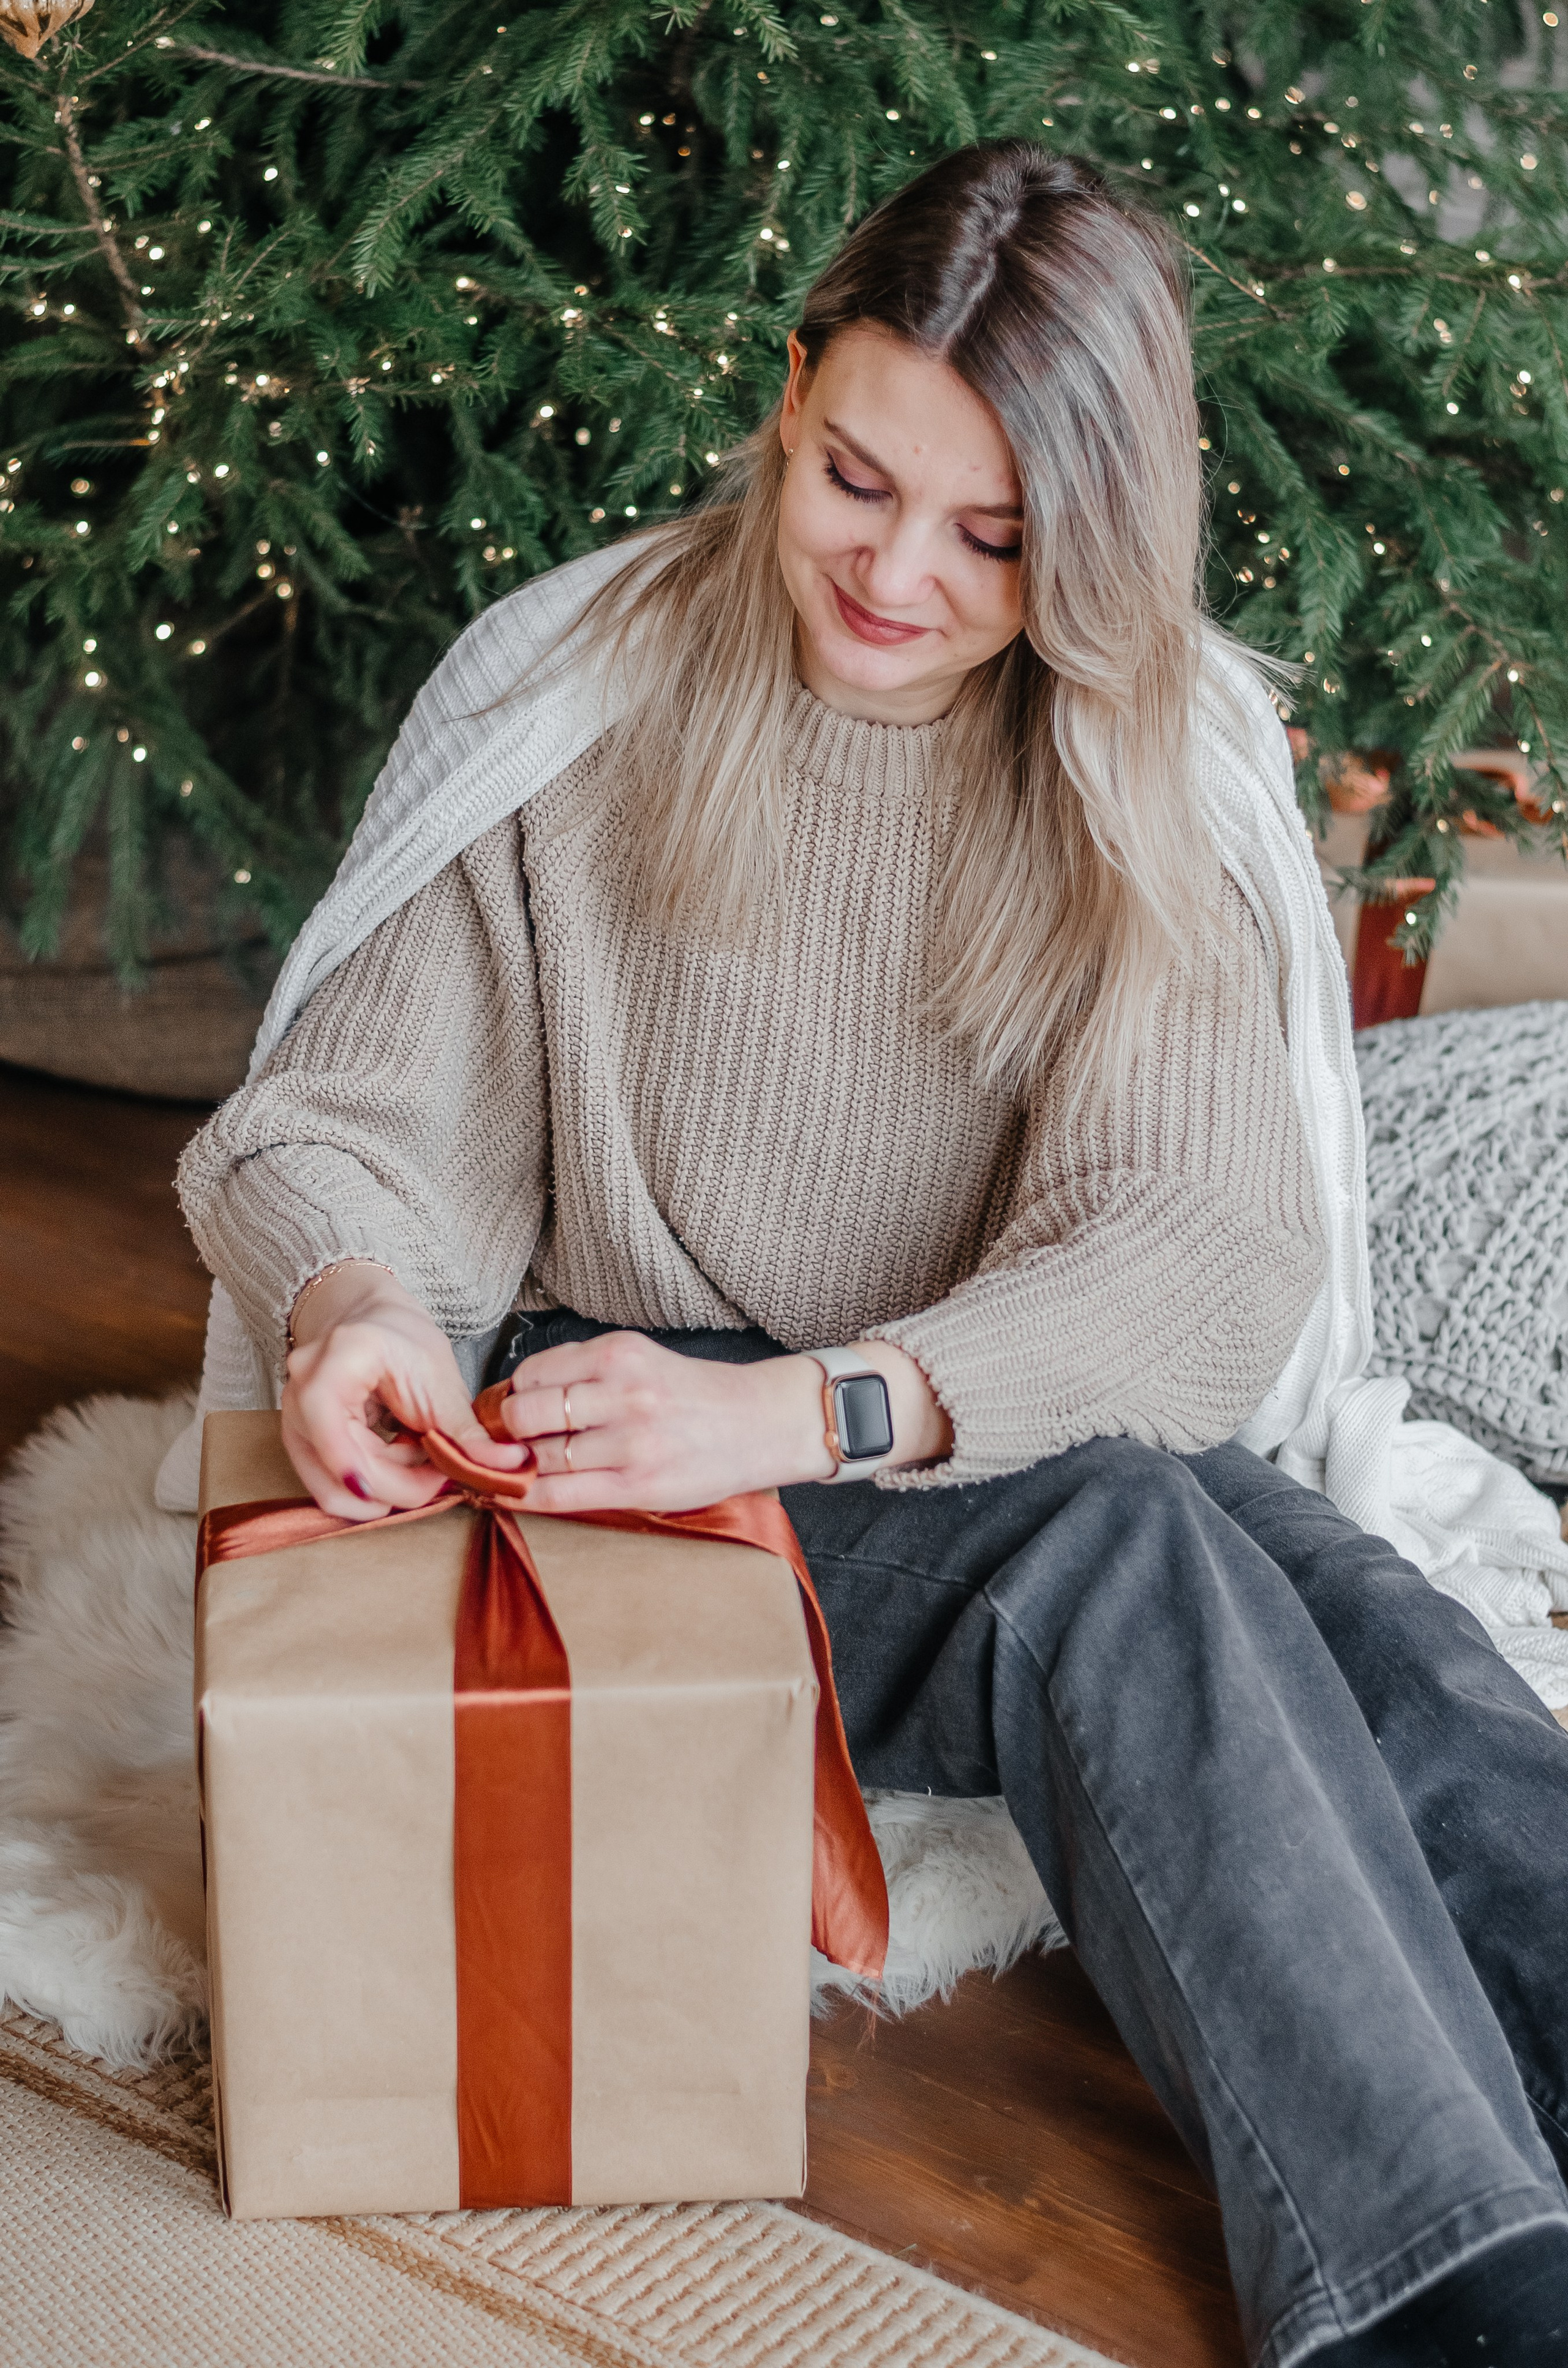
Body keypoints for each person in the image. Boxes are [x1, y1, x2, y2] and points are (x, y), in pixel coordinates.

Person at [176, 143, 1568, 2368]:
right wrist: (351, 1308)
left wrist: (825, 1396)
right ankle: (1449, 2288)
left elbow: (1199, 1258)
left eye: (997, 536)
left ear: (1092, 543)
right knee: (1124, 1543)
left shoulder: (1144, 759)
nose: (901, 574)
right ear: (795, 378)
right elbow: (349, 1122)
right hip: (628, 1432)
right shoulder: (576, 691)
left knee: (1326, 1584)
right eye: (856, 477)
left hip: (882, 1408)